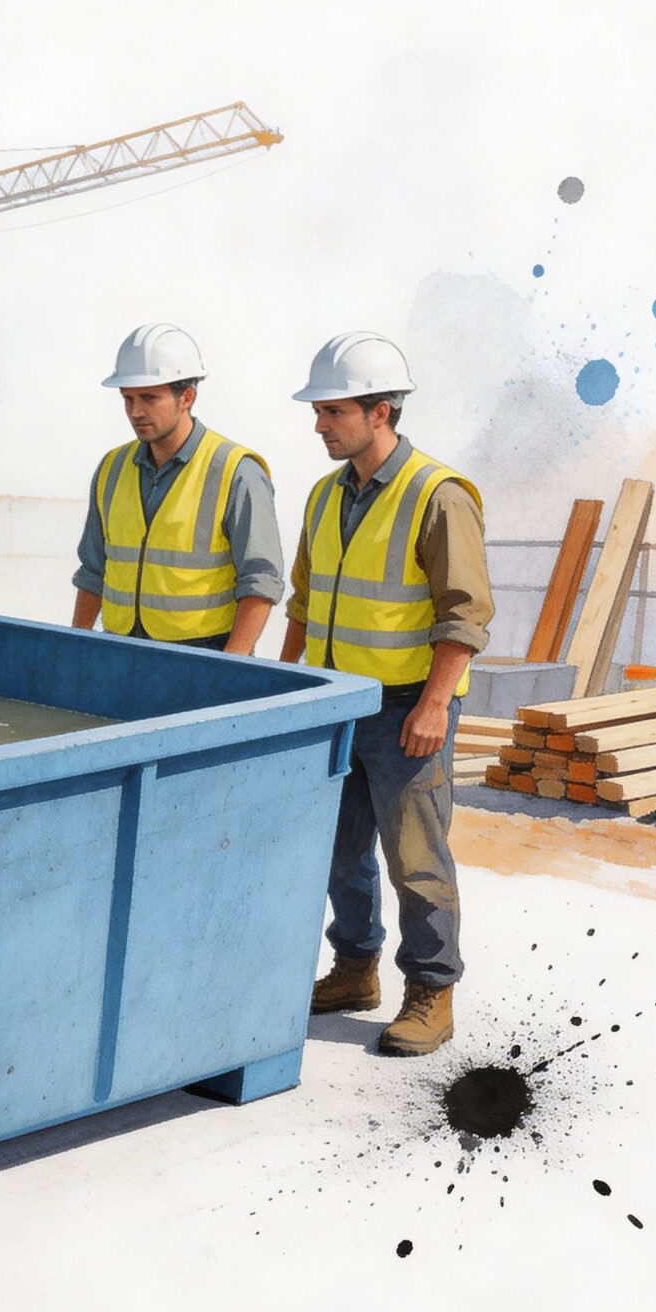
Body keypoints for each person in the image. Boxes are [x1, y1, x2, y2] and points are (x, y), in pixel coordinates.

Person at [281, 332, 492, 1056]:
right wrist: (285, 690)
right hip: (335, 705)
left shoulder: (439, 495)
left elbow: (464, 614)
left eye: (332, 411)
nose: (318, 425)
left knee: (416, 860)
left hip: (407, 709)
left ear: (380, 412)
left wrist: (435, 704)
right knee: (337, 853)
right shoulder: (323, 496)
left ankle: (432, 991)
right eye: (318, 412)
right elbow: (304, 604)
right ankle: (355, 968)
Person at [70, 324, 282, 653]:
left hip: (206, 656)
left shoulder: (236, 472)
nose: (135, 412)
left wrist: (231, 666)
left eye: (149, 398)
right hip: (121, 652)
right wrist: (76, 647)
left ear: (187, 397)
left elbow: (261, 582)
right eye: (128, 399)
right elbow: (93, 571)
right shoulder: (112, 468)